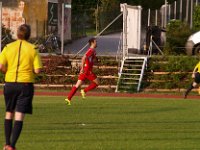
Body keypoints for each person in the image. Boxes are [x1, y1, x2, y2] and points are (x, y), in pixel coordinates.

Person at [0, 24, 42, 150]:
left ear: (17, 34)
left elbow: (1, 66)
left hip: (10, 84)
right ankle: (12, 145)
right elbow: (38, 70)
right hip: (25, 85)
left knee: (9, 113)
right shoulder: (33, 48)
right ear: (29, 35)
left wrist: (9, 72)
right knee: (19, 115)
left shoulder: (7, 47)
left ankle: (7, 144)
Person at [65, 37, 99, 105]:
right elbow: (83, 58)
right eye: (96, 42)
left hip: (85, 70)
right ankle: (84, 90)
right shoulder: (91, 50)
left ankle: (68, 98)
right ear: (92, 43)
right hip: (87, 70)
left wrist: (95, 60)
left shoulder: (93, 51)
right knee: (97, 82)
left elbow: (90, 59)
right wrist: (82, 68)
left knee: (77, 85)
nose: (97, 43)